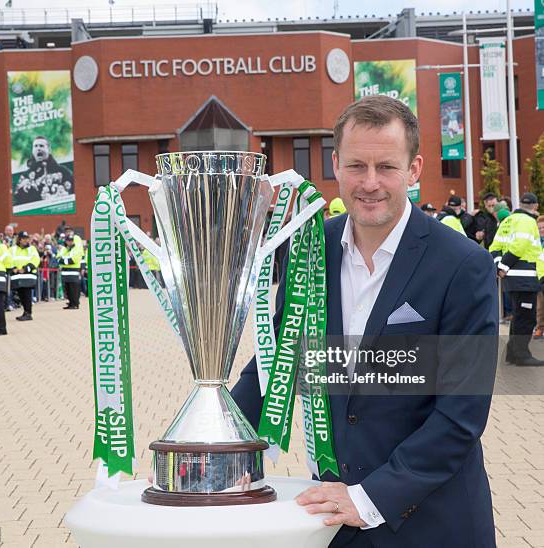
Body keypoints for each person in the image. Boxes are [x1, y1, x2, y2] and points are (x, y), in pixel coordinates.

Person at [232, 95, 498, 547]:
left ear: (413, 170)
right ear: (336, 164)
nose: (370, 183)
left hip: (430, 523)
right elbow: (275, 363)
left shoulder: (463, 266)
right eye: (356, 166)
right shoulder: (310, 249)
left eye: (387, 167)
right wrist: (222, 448)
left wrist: (371, 496)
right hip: (333, 524)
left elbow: (460, 416)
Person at [490, 192, 544, 366]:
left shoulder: (508, 221)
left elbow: (495, 246)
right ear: (535, 207)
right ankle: (521, 355)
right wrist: (504, 266)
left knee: (518, 316)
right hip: (525, 278)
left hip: (511, 280)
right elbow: (519, 245)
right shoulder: (528, 222)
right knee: (526, 318)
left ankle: (513, 354)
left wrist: (500, 267)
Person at [10, 231, 40, 321]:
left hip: (28, 275)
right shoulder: (12, 249)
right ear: (19, 239)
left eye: (27, 238)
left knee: (27, 295)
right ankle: (25, 312)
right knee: (21, 295)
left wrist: (25, 268)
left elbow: (36, 260)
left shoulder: (32, 249)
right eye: (24, 238)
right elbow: (8, 260)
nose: (26, 240)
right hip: (17, 276)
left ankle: (28, 313)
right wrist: (13, 268)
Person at [58, 235, 83, 309]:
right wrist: (65, 261)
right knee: (67, 289)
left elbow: (73, 260)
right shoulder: (64, 249)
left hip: (73, 272)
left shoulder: (76, 249)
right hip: (65, 273)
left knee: (74, 289)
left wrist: (64, 261)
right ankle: (70, 303)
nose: (70, 242)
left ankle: (75, 304)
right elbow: (58, 258)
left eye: (71, 240)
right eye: (68, 240)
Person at [535, 215, 544, 339]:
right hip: (538, 277)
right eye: (539, 228)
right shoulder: (535, 242)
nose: (541, 230)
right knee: (540, 305)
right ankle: (540, 328)